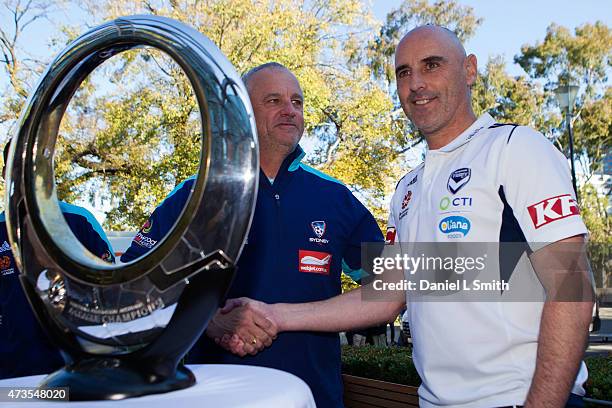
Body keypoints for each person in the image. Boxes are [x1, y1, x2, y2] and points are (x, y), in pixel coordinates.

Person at [219, 26, 594, 408]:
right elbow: (385, 297)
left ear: (469, 70)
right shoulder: (407, 188)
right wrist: (275, 315)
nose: (416, 83)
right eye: (403, 72)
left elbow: (573, 289)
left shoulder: (516, 148)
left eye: (432, 65)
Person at [119, 62, 384, 408]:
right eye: (273, 100)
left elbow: (390, 291)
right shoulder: (196, 195)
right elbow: (130, 289)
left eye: (297, 102)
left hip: (313, 398)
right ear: (241, 113)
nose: (290, 110)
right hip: (213, 399)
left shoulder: (337, 199)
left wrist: (284, 316)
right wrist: (208, 321)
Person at [0, 140, 115, 379]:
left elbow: (111, 293)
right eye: (16, 165)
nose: (25, 173)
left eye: (34, 164)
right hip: (12, 374)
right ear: (5, 173)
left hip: (75, 371)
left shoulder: (80, 222)